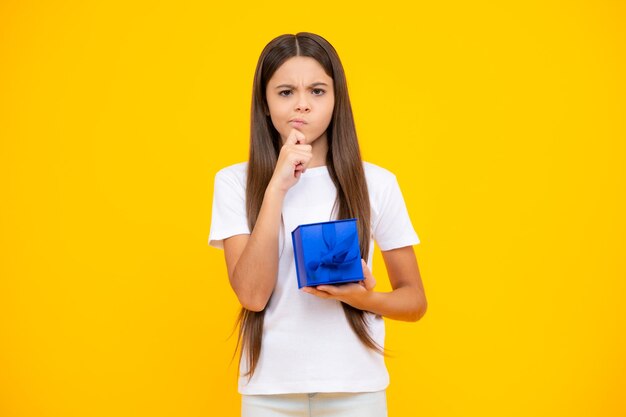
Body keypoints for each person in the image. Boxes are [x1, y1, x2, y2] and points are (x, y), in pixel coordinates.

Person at [208, 32, 427, 417]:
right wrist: (276, 185)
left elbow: (414, 302)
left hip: (355, 389)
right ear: (265, 102)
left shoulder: (376, 182)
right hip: (270, 393)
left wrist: (362, 299)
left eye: (318, 91)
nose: (303, 105)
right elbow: (252, 296)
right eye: (286, 92)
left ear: (336, 99)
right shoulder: (233, 182)